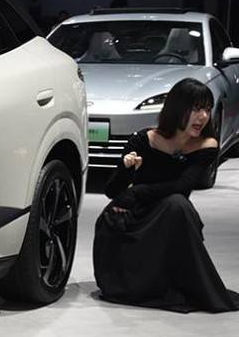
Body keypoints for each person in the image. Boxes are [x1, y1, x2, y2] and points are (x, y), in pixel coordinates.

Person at [93, 78, 239, 312]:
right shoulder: (144, 139)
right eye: (196, 108)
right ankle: (127, 280)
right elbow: (113, 192)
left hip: (171, 216)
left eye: (207, 109)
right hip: (138, 216)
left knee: (177, 204)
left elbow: (182, 186)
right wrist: (126, 169)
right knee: (122, 215)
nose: (203, 116)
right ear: (177, 109)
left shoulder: (207, 145)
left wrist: (137, 192)